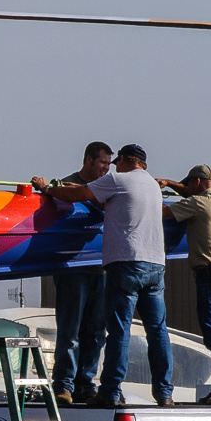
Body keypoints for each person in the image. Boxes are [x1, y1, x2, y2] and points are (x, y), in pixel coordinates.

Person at [32, 143, 172, 407]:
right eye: (105, 163)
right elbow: (96, 198)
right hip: (154, 265)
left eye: (114, 162)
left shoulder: (116, 180)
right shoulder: (152, 185)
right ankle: (164, 393)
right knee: (157, 331)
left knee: (115, 332)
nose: (110, 167)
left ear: (127, 161)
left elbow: (85, 195)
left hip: (124, 265)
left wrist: (47, 189)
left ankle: (104, 390)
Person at [160, 164, 211, 404]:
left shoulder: (197, 204)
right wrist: (171, 184)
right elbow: (192, 192)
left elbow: (165, 212)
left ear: (195, 183)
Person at [44, 142, 113, 407]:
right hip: (73, 269)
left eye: (108, 165)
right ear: (88, 160)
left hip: (101, 269)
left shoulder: (107, 188)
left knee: (96, 332)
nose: (106, 169)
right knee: (70, 330)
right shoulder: (66, 185)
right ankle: (63, 385)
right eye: (102, 163)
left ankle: (86, 385)